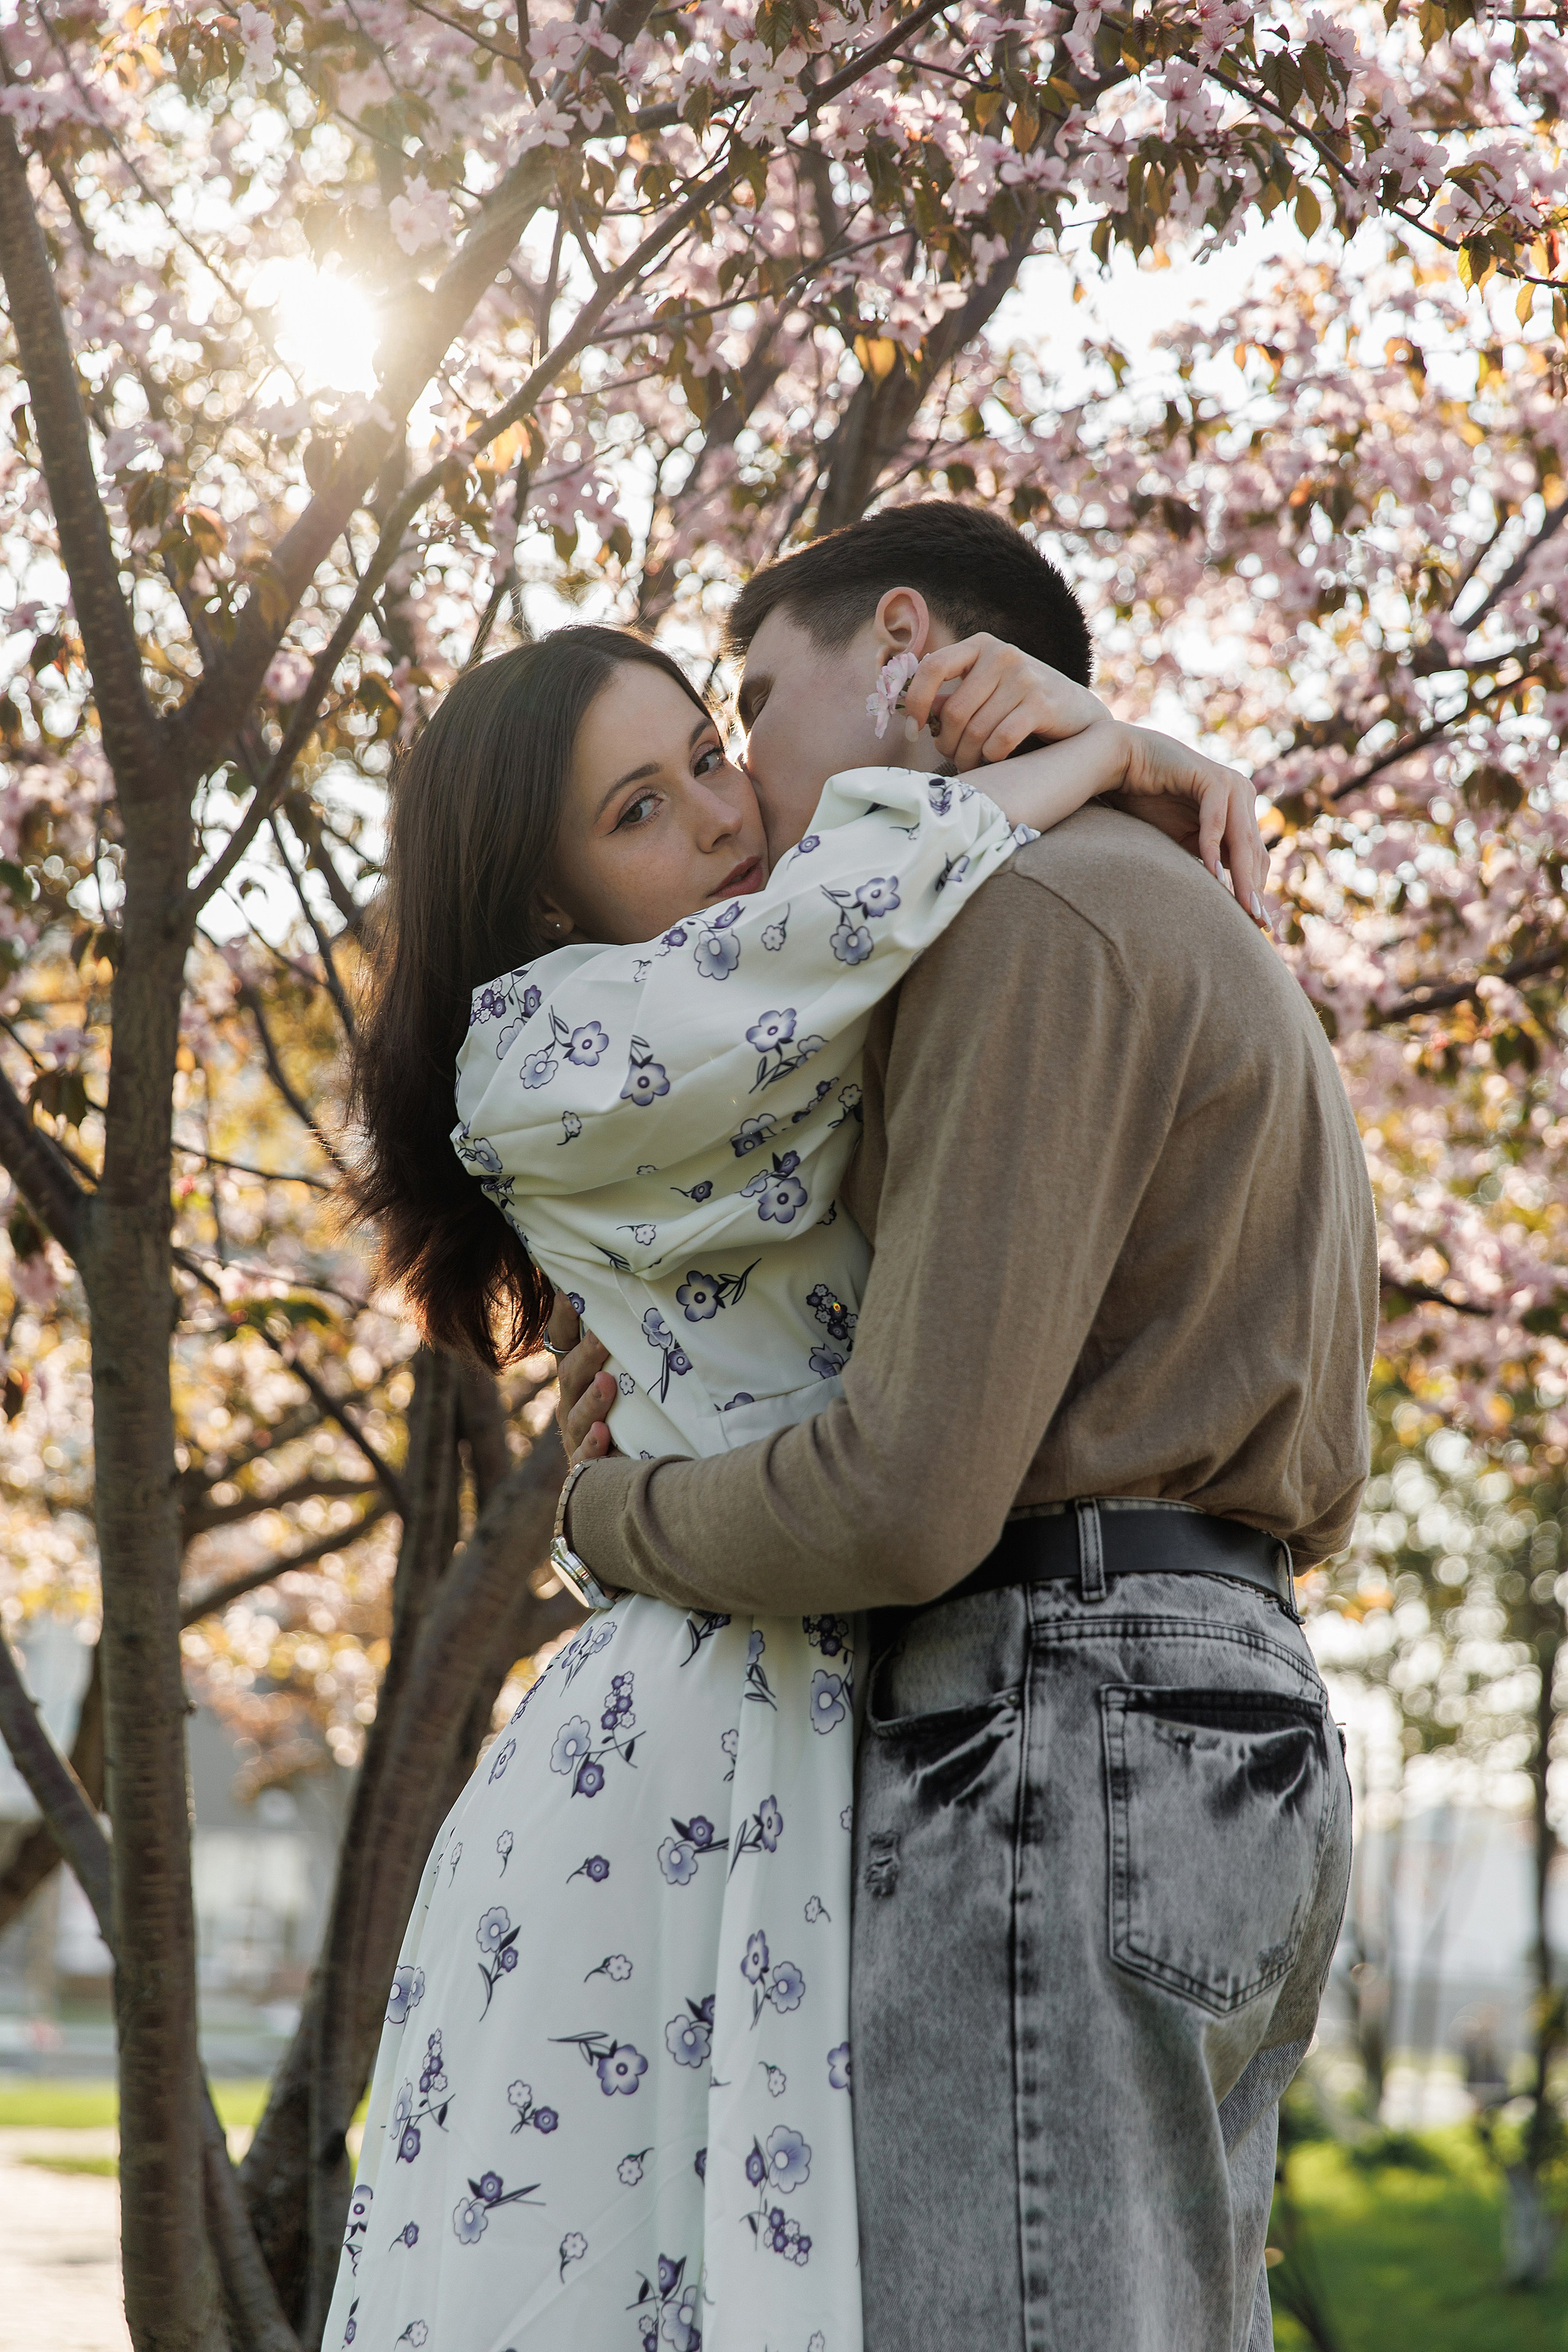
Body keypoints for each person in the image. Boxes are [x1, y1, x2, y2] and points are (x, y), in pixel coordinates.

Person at [328, 606, 1261, 2352]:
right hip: (685, 1744)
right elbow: (877, 883)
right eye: (641, 810)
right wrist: (1123, 752)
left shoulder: (763, 1008)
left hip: (831, 1691)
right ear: (544, 906)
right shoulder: (548, 1042)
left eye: (707, 752)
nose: (720, 811)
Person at [551, 501, 1378, 2352]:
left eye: (750, 702)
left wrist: (614, 1513)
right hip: (1222, 1716)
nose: (739, 780)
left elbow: (909, 1497)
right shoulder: (1164, 896)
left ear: (902, 644)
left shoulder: (1032, 915)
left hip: (1057, 1726)